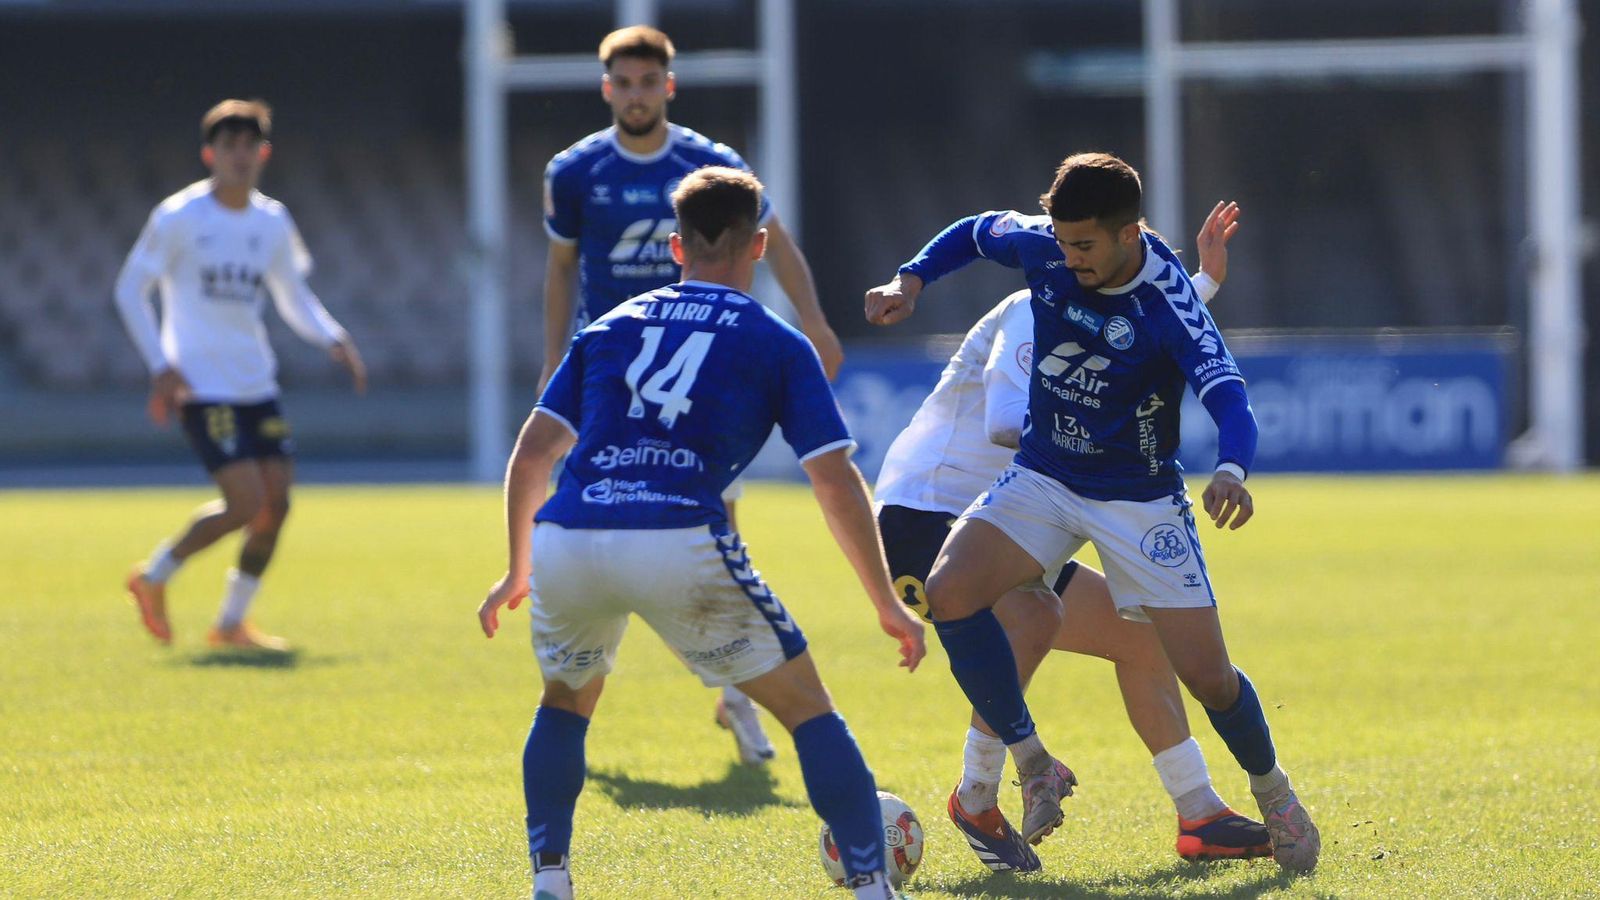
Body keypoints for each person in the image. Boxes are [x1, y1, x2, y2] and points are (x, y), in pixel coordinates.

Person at [477, 167, 925, 900]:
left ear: (677, 248)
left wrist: (515, 568)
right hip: (674, 534)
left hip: (569, 534)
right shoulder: (778, 343)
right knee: (809, 709)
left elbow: (533, 452)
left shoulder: (610, 326)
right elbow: (835, 479)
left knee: (564, 699)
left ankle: (549, 880)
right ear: (758, 245)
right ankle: (873, 887)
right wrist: (885, 600)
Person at [864, 153, 1321, 872]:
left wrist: (1232, 468)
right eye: (1062, 240)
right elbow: (977, 231)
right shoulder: (1047, 249)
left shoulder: (1170, 297)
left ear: (1130, 234)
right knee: (955, 592)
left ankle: (1273, 793)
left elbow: (1227, 390)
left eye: (1085, 245)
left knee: (1207, 675)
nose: (1068, 256)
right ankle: (1025, 763)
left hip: (1138, 499)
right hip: (1043, 477)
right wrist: (911, 278)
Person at [540, 24, 845, 765]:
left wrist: (815, 322)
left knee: (716, 521)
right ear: (607, 89)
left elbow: (782, 241)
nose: (637, 95)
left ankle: (736, 695)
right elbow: (560, 273)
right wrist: (553, 367)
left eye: (649, 83)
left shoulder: (713, 164)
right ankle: (575, 690)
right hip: (615, 381)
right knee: (604, 524)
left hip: (703, 372)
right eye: (624, 84)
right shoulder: (576, 172)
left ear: (667, 88)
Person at [116, 99, 367, 652]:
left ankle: (231, 623)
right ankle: (153, 576)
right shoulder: (180, 217)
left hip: (257, 384)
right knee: (246, 502)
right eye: (229, 146)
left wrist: (331, 335)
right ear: (210, 153)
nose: (240, 156)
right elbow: (129, 290)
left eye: (249, 146)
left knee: (277, 504)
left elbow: (291, 294)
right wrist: (161, 366)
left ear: (264, 153)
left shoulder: (271, 221)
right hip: (203, 387)